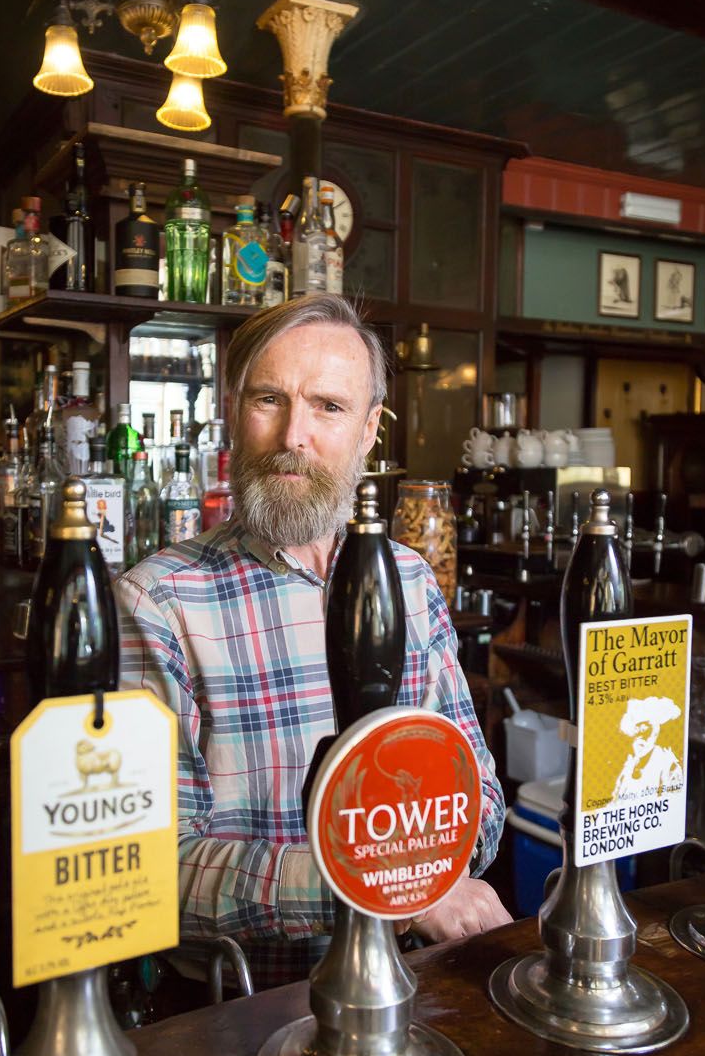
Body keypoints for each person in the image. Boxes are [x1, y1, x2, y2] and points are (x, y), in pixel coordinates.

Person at [116, 294, 508, 992]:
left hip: (405, 985)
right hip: (235, 1013)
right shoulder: (157, 602)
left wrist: (417, 876)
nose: (294, 434)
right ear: (233, 413)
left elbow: (476, 794)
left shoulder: (411, 581)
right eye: (270, 399)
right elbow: (143, 868)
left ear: (368, 430)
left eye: (327, 406)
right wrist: (391, 885)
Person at [612, 696, 683, 802]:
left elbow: (673, 806)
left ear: (656, 734)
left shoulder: (667, 764)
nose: (642, 736)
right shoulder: (627, 763)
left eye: (648, 730)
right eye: (638, 728)